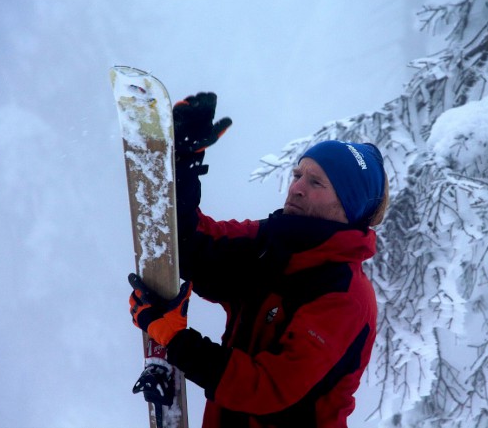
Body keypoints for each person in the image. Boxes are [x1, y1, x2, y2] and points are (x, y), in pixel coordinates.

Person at [128, 92, 388, 428]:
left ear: (348, 208)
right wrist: (185, 162)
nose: (296, 188)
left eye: (316, 182)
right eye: (297, 175)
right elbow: (194, 248)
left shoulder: (347, 296)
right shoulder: (273, 242)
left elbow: (268, 389)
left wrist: (178, 341)